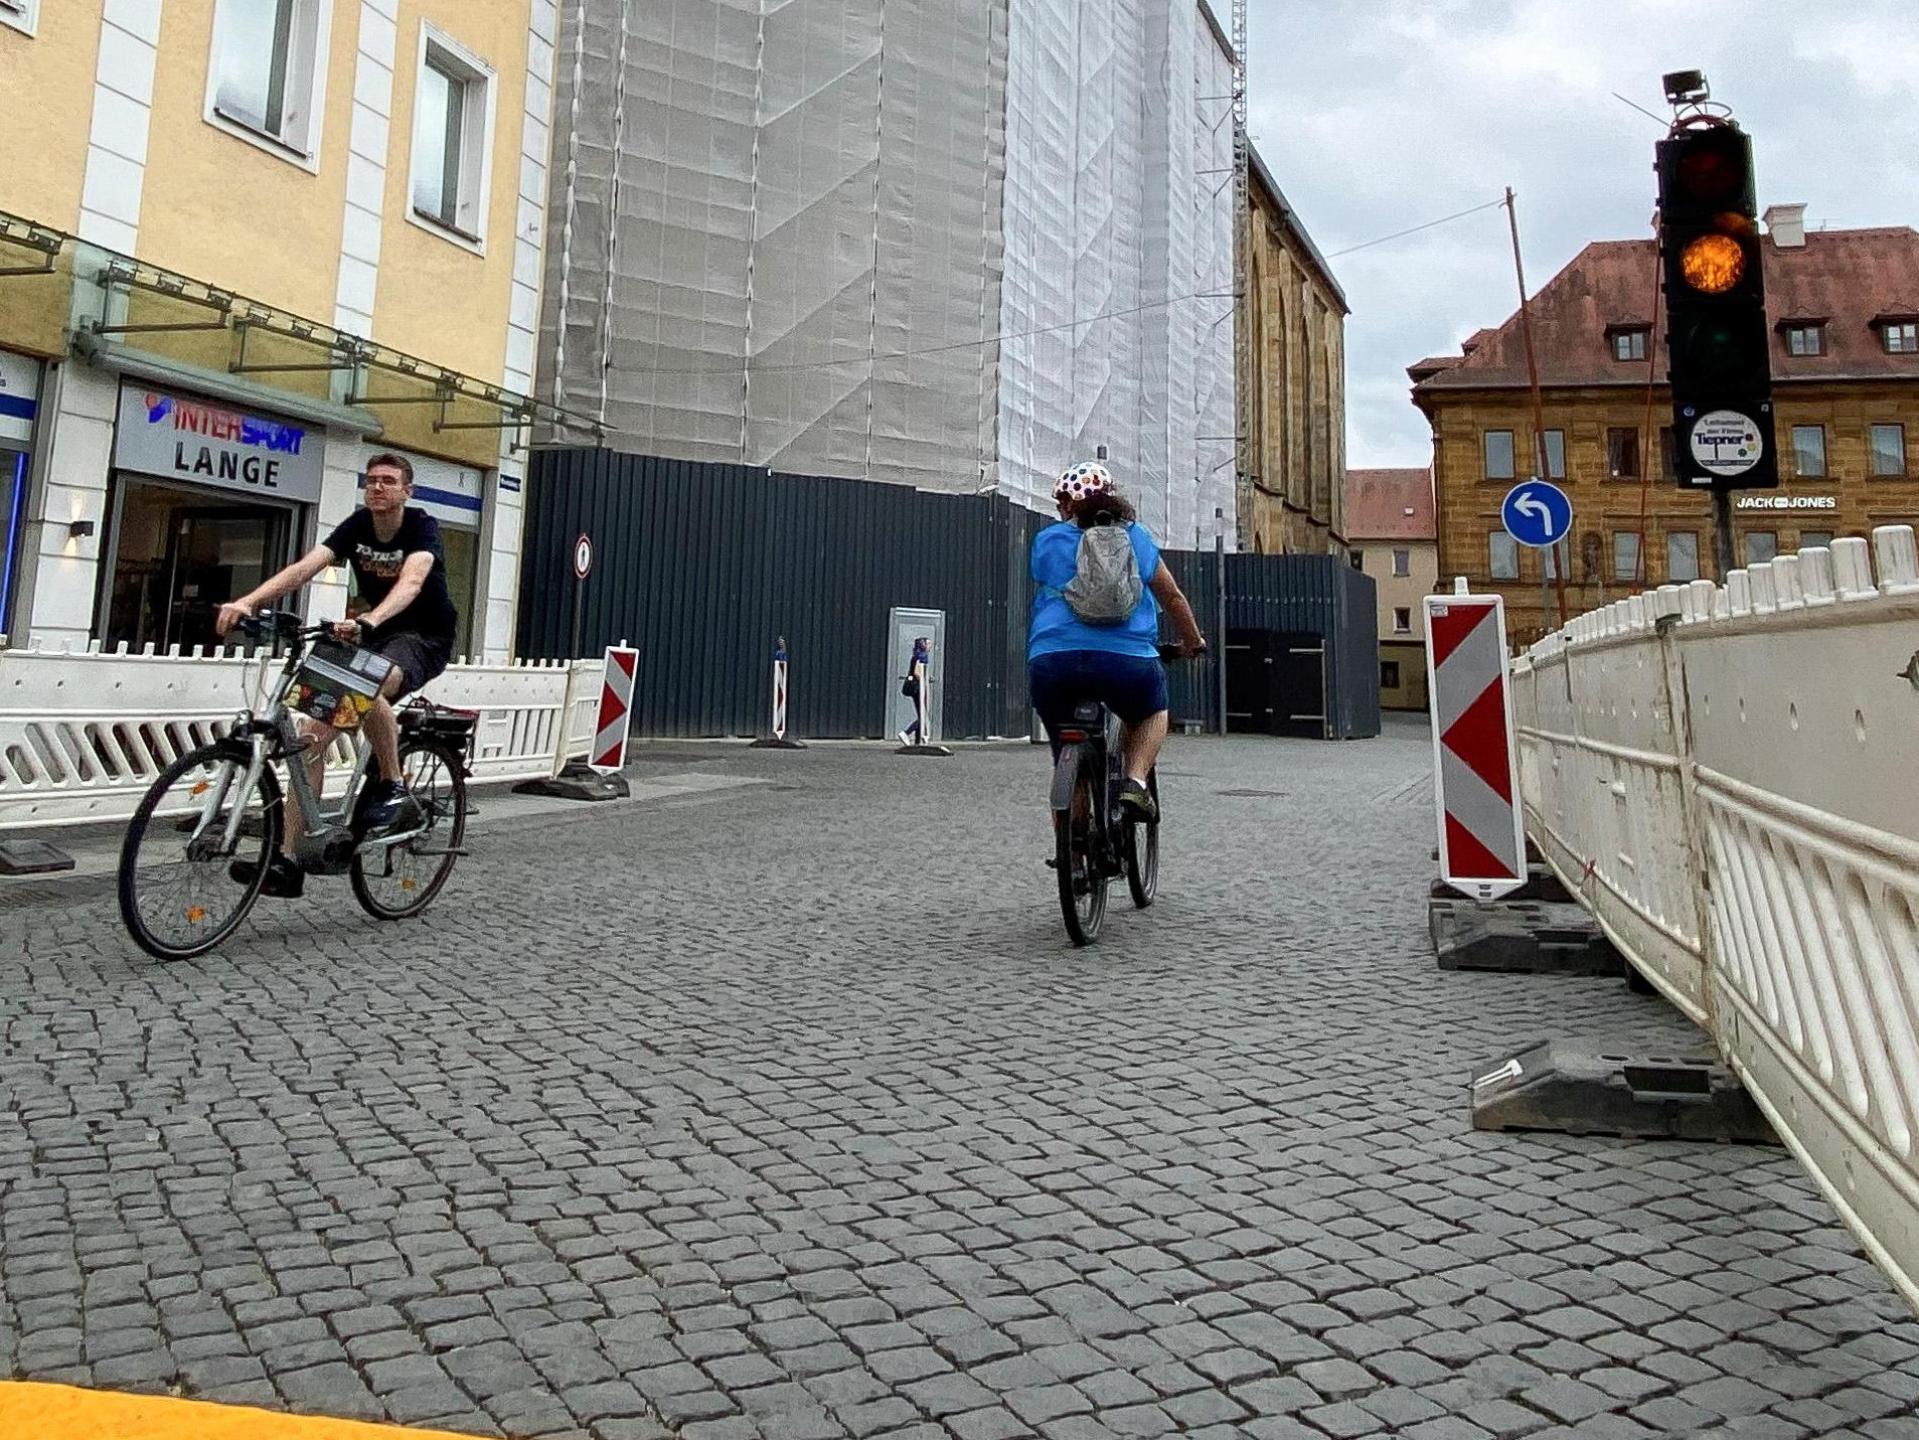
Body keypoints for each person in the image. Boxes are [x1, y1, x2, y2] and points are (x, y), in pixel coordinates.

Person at [214, 452, 460, 897]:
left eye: (388, 480)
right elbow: (303, 568)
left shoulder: (421, 527)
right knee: (311, 735)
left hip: (422, 636)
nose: (377, 487)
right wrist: (248, 602)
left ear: (408, 490)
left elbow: (411, 582)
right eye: (371, 480)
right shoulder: (357, 526)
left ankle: (393, 786)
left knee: (366, 687)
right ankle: (288, 861)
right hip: (373, 632)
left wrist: (371, 620)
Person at [1029, 461, 1206, 820]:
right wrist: (1192, 642)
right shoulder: (1137, 538)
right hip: (1128, 660)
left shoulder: (1047, 540)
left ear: (1068, 505)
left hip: (1053, 661)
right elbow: (1172, 597)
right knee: (1153, 712)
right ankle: (1135, 781)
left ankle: (1074, 859)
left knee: (1067, 751)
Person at [898, 635, 930, 746]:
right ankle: (906, 733)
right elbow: (917, 671)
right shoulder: (922, 656)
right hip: (917, 688)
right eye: (927, 643)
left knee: (921, 714)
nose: (929, 645)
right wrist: (923, 681)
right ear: (923, 645)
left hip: (915, 687)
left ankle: (917, 741)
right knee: (922, 716)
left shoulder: (915, 655)